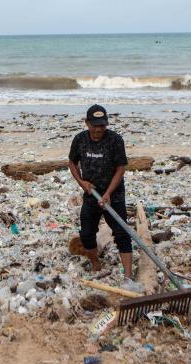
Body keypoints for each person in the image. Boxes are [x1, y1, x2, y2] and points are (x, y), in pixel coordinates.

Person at [68, 104, 136, 288]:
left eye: (102, 126)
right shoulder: (80, 140)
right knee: (87, 234)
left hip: (113, 196)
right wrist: (82, 183)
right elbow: (72, 163)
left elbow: (121, 168)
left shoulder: (115, 140)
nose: (98, 130)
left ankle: (128, 278)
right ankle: (96, 265)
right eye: (95, 125)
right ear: (87, 123)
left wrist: (108, 193)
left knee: (122, 234)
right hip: (91, 195)